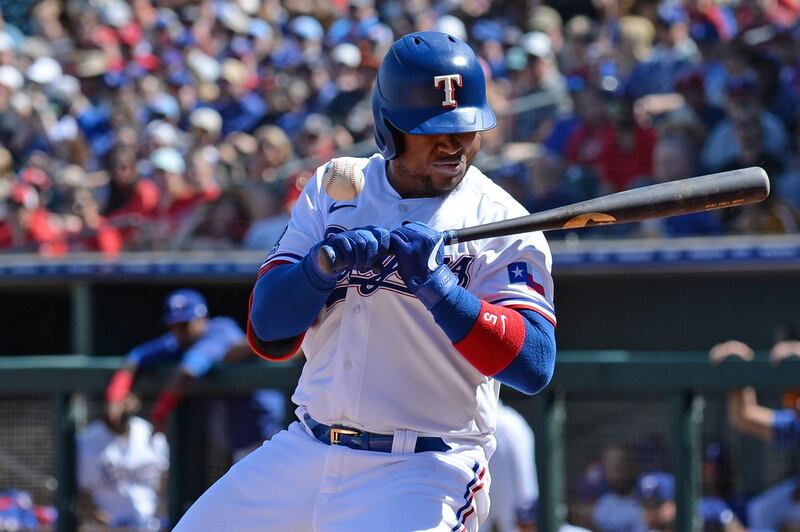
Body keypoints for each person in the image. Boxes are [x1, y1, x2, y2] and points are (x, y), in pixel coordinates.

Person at [176, 31, 557, 531]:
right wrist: (319, 269)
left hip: (423, 467)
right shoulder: (335, 188)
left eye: (465, 127)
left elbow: (534, 364)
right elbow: (268, 331)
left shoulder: (503, 220)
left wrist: (439, 290)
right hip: (307, 449)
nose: (453, 143)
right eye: (431, 128)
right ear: (388, 127)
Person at [104, 289, 284, 465]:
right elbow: (134, 359)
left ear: (201, 319)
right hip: (235, 438)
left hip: (265, 432)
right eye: (173, 326)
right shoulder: (179, 341)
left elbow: (186, 373)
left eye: (184, 325)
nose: (178, 332)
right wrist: (115, 397)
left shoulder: (219, 330)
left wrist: (159, 415)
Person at [709, 339, 800, 530]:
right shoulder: (795, 423)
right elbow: (744, 417)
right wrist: (741, 369)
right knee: (761, 511)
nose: (797, 404)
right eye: (794, 398)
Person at [76, 394, 169, 530]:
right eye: (116, 402)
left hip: (150, 526)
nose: (120, 409)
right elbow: (81, 494)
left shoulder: (148, 432)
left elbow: (164, 480)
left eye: (125, 401)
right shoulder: (88, 440)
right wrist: (97, 515)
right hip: (108, 527)